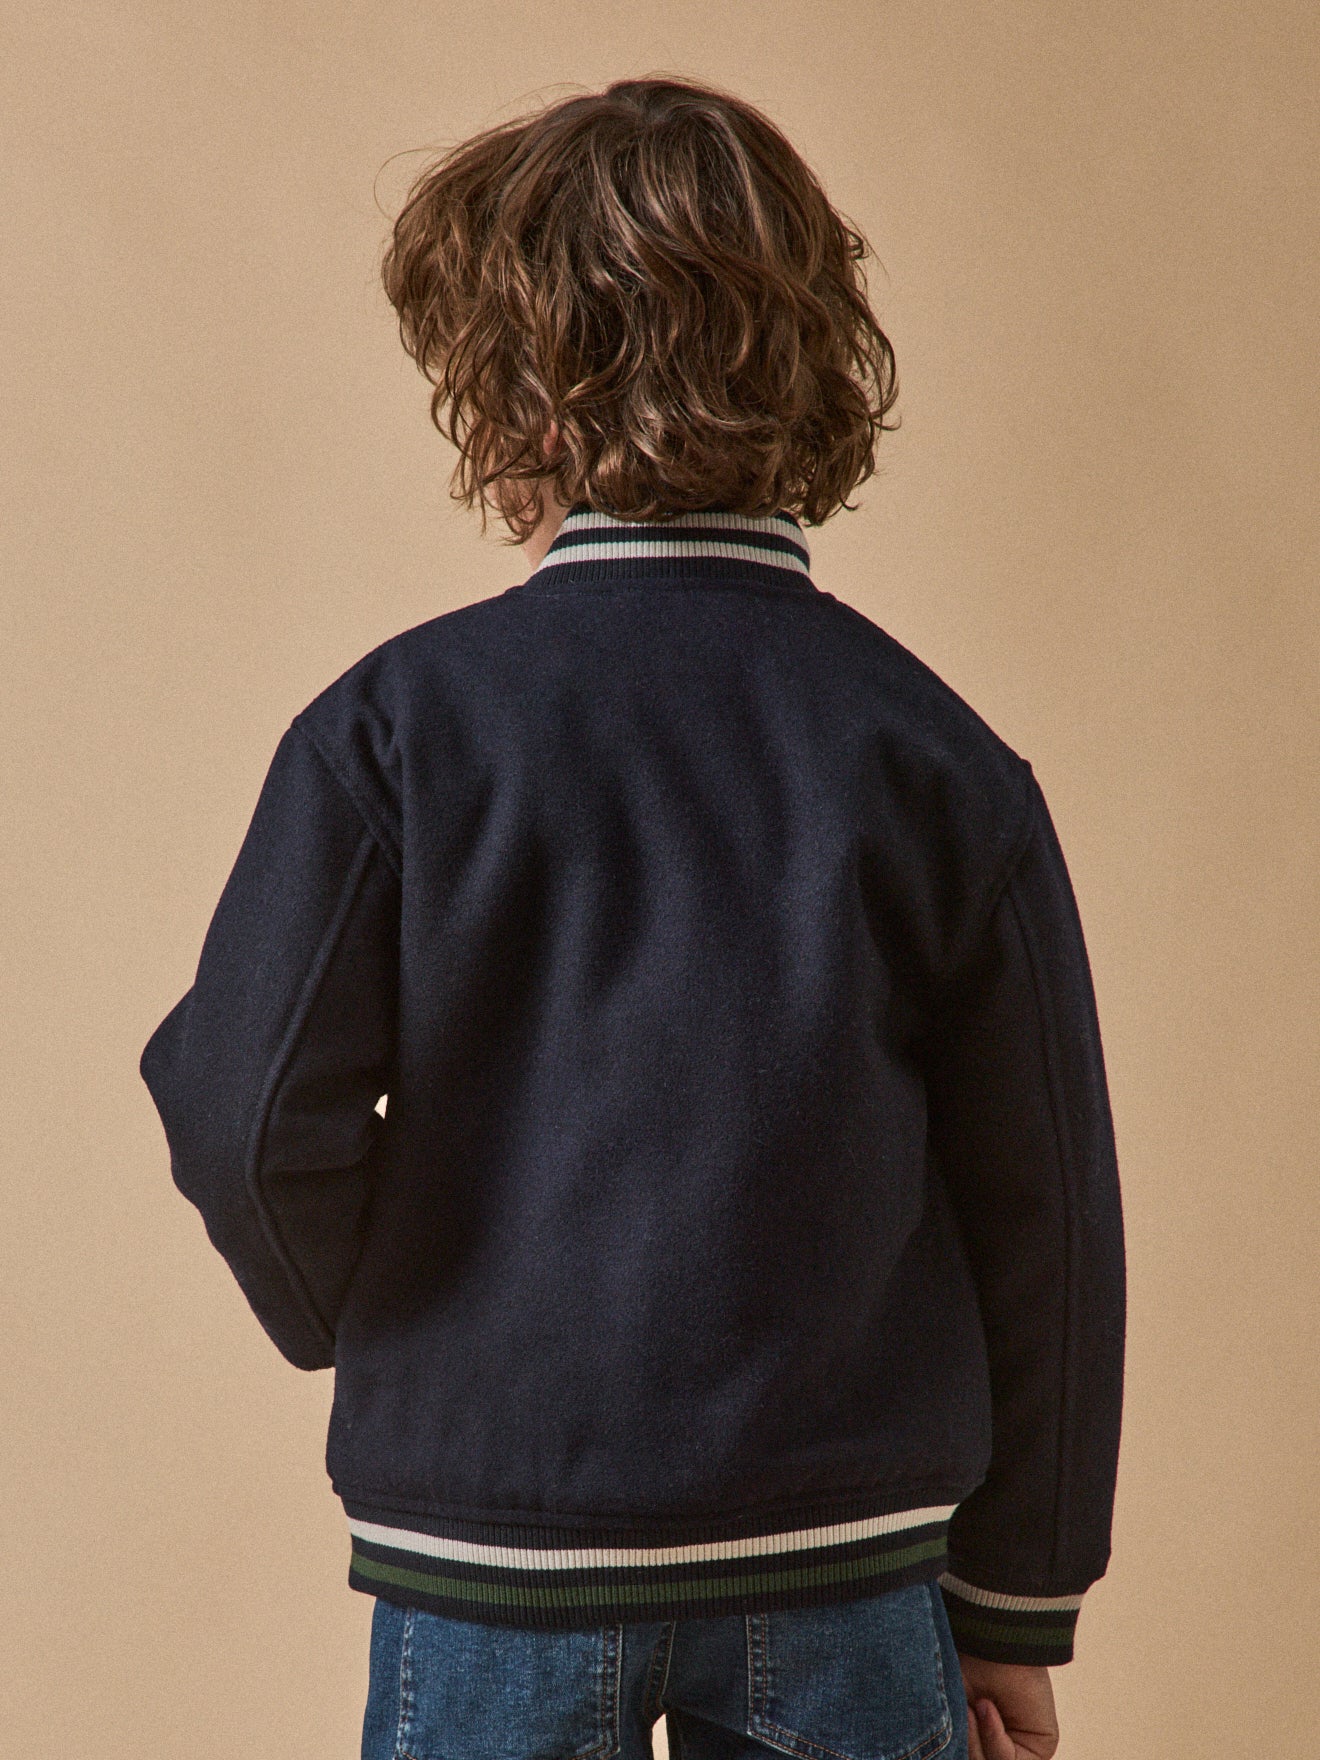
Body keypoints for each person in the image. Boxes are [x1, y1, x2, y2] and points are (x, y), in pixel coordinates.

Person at [139, 75, 1125, 1760]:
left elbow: (242, 1116)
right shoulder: (942, 764)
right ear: (811, 369)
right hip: (846, 1565)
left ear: (515, 397)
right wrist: (1018, 1605)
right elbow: (1048, 1218)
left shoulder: (391, 735)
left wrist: (378, 1316)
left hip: (497, 1557)